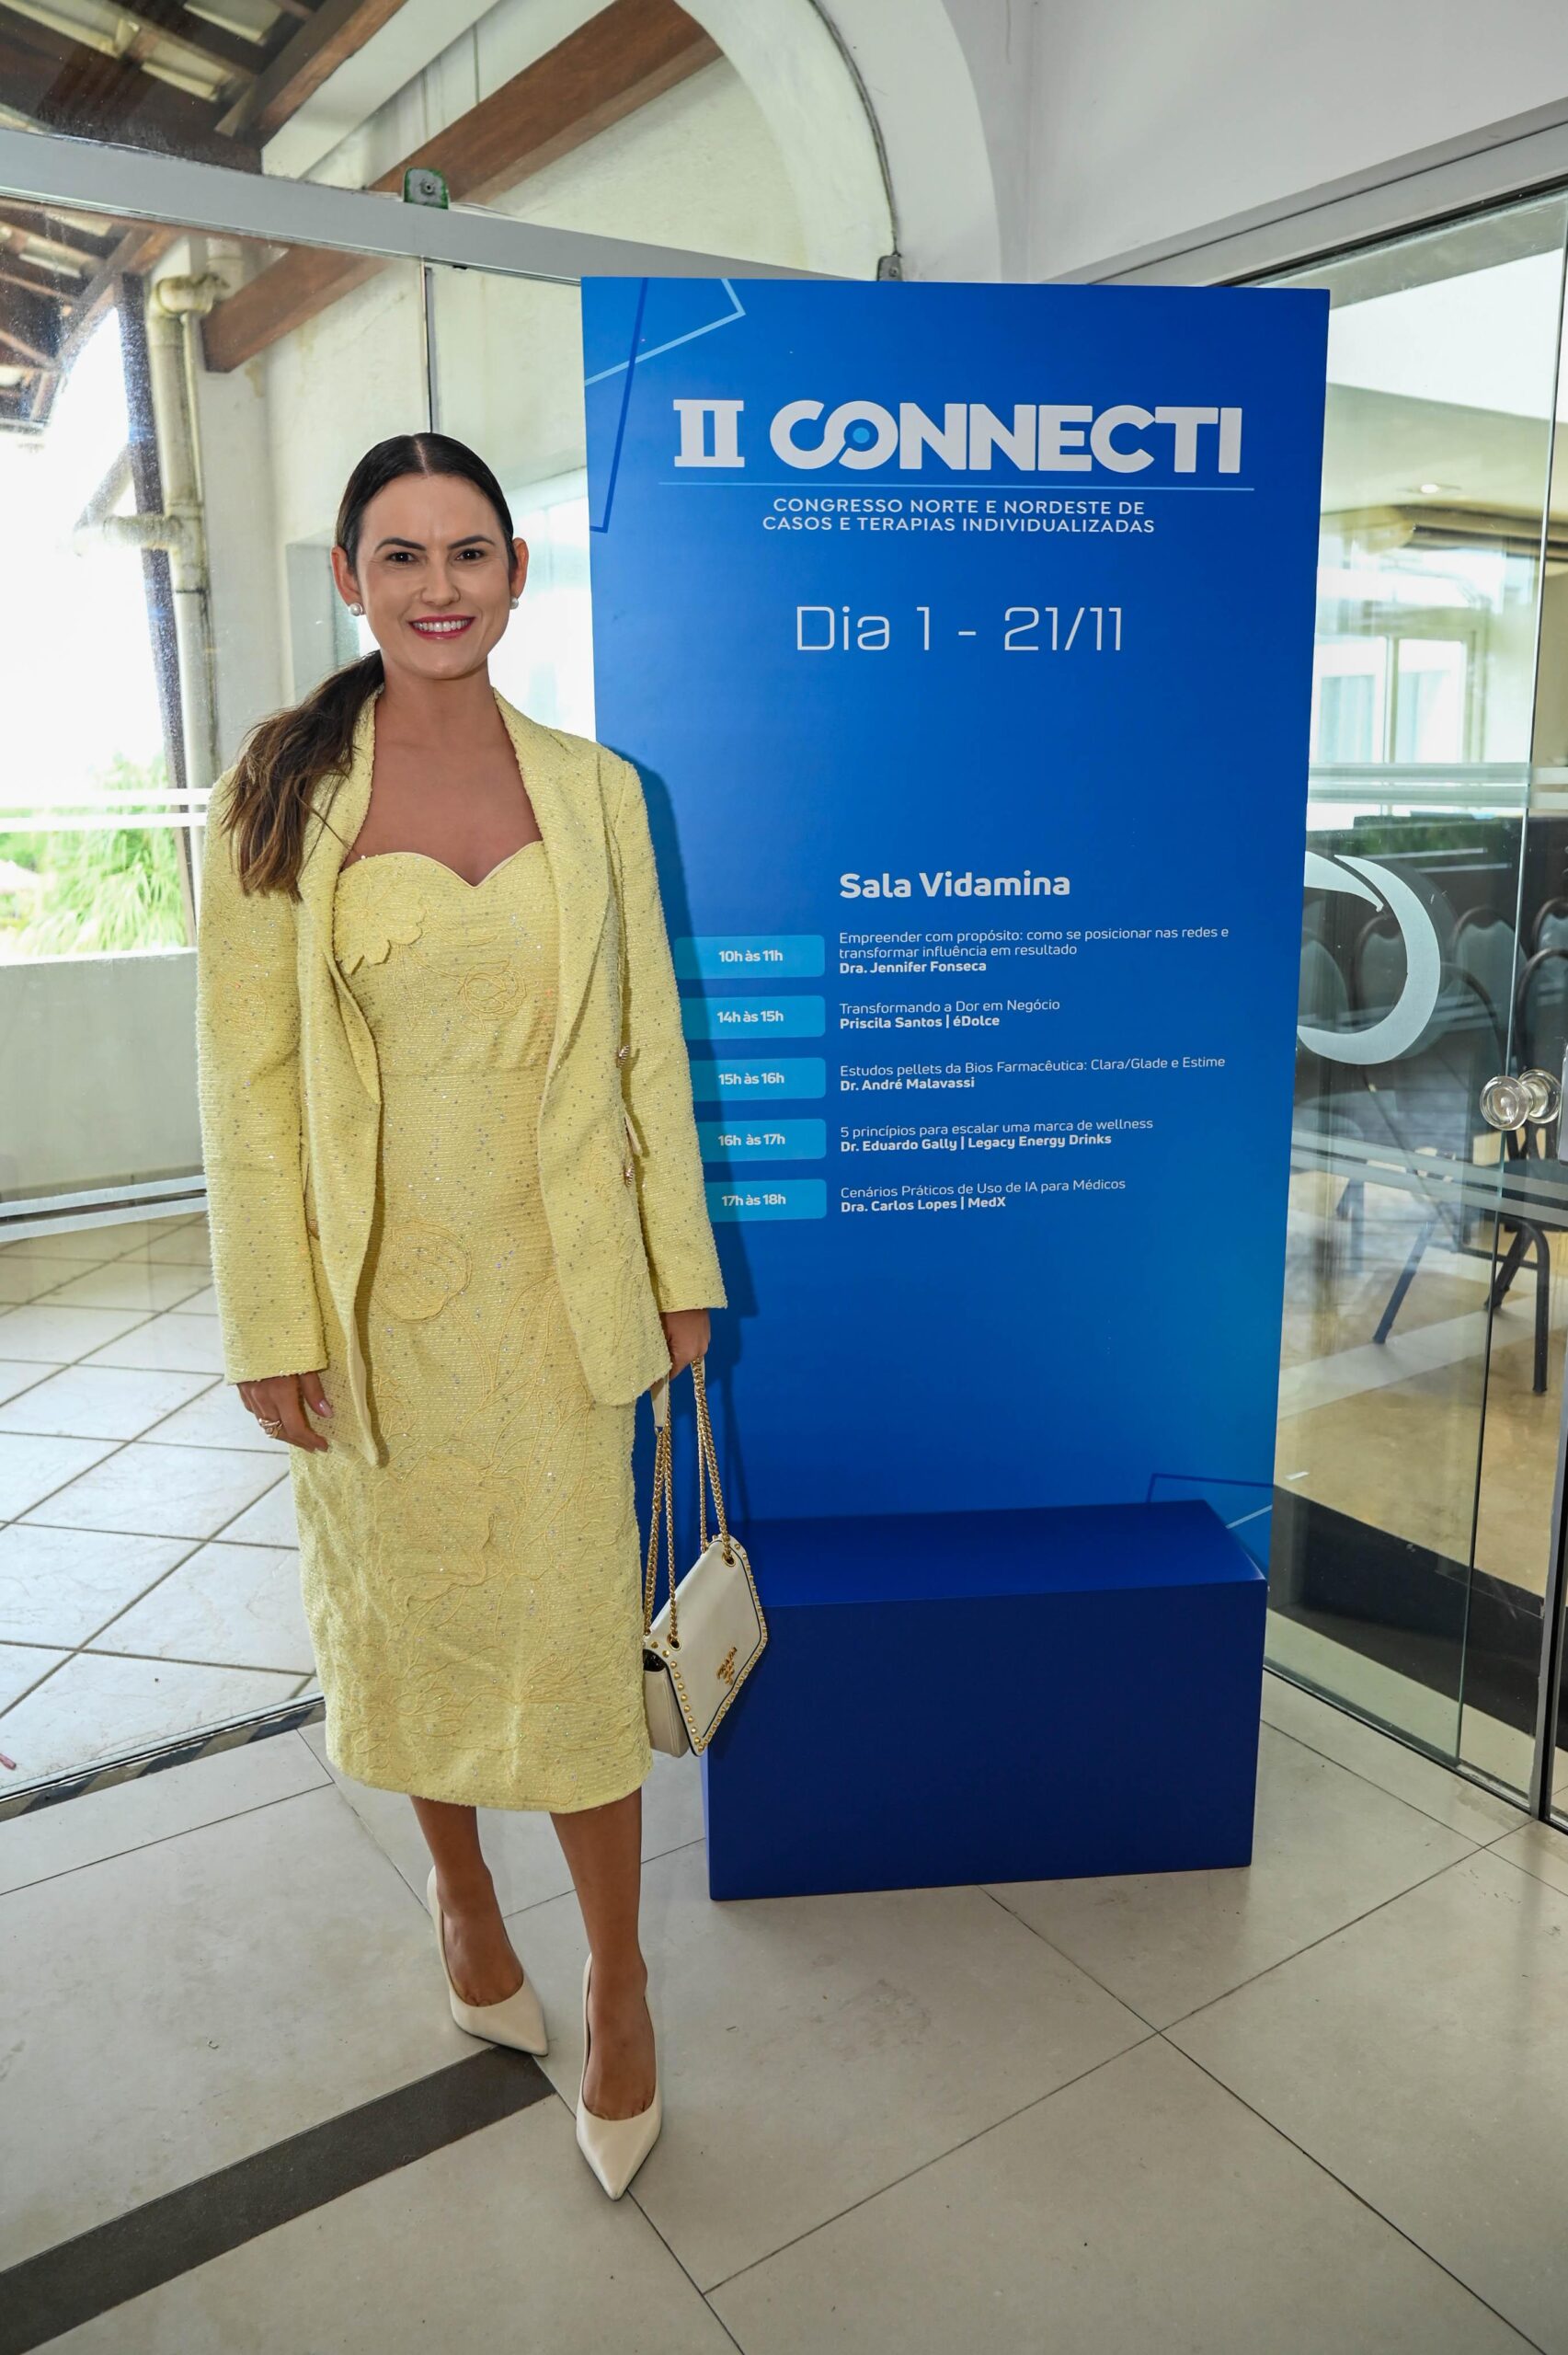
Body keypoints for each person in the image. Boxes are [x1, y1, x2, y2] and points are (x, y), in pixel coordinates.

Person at [194, 431, 726, 2200]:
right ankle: (461, 1894)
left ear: (515, 574)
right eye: (403, 556)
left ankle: (619, 1980)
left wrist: (678, 1268)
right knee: (415, 1615)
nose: (440, 588)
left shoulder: (597, 791)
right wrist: (271, 1319)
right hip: (373, 1296)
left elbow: (646, 1046)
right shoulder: (280, 790)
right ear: (352, 579)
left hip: (561, 1289)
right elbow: (248, 1087)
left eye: (470, 552)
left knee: (572, 1644)